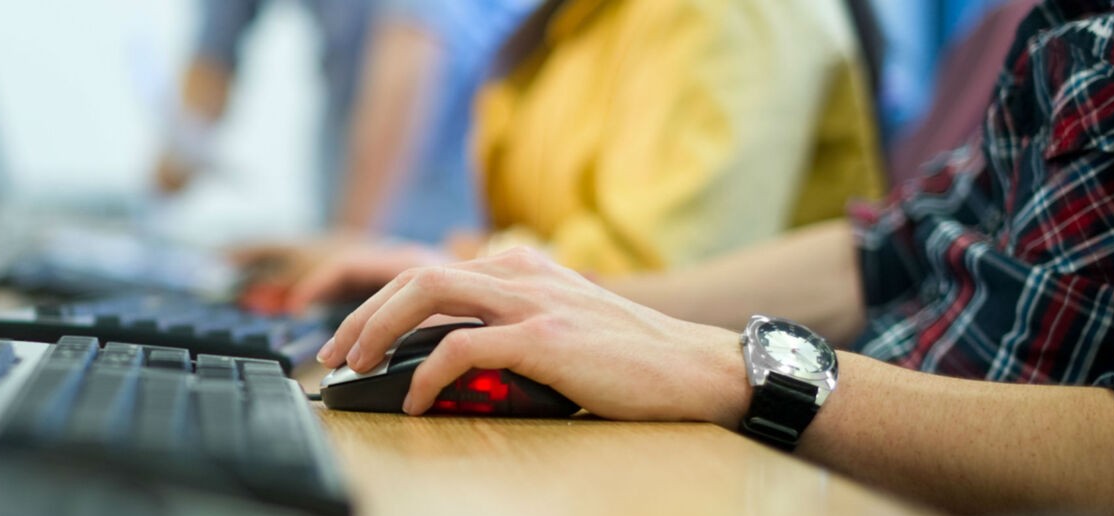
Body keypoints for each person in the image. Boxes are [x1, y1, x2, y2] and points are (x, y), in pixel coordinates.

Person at [312, 0, 1114, 516]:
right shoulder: (1073, 18)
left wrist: (737, 369)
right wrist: (528, 294)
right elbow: (889, 250)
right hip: (844, 496)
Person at [238, 0, 887, 299]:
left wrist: (439, 271)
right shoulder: (571, 23)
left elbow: (654, 283)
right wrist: (410, 265)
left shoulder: (731, 12)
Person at [155, 0, 534, 243]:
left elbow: (409, 58)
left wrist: (350, 241)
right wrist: (179, 156)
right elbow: (213, 57)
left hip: (434, 216)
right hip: (349, 205)